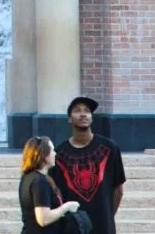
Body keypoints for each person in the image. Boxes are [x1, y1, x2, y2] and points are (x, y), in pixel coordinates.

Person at [52, 96, 126, 234]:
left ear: (91, 118)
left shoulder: (110, 148)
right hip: (72, 227)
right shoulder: (59, 154)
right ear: (69, 119)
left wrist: (108, 216)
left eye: (87, 111)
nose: (83, 114)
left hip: (103, 225)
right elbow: (57, 194)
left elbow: (118, 190)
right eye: (77, 110)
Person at [20, 135, 83, 231]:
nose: (55, 153)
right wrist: (67, 206)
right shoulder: (40, 181)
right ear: (43, 155)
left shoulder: (27, 177)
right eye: (52, 150)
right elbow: (43, 219)